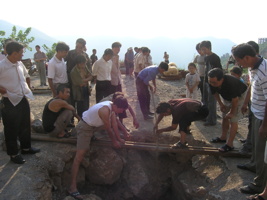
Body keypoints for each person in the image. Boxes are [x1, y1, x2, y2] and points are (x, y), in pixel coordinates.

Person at [68, 97, 129, 199]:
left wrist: (119, 139)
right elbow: (109, 129)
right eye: (122, 109)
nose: (122, 112)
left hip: (92, 126)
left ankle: (92, 135)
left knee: (108, 123)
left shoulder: (112, 107)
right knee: (79, 157)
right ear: (116, 106)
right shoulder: (105, 110)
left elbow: (114, 124)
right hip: (85, 127)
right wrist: (114, 142)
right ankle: (72, 187)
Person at [231, 43, 267, 195]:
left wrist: (264, 126)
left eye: (238, 60)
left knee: (262, 152)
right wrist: (246, 103)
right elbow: (252, 85)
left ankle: (259, 185)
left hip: (263, 116)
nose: (238, 64)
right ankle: (253, 165)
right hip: (255, 110)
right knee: (253, 144)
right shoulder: (253, 67)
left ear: (247, 57)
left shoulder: (265, 72)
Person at [0, 41, 40, 164]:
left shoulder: (19, 64)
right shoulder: (2, 65)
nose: (23, 55)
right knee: (11, 128)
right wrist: (6, 91)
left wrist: (27, 87)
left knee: (24, 124)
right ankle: (13, 154)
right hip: (9, 100)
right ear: (14, 53)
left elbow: (27, 76)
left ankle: (26, 148)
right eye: (21, 52)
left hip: (22, 98)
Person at [208, 68, 247, 152]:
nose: (212, 84)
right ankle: (223, 137)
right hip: (227, 97)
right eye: (210, 82)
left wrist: (232, 112)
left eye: (214, 82)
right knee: (225, 117)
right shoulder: (212, 81)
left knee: (233, 119)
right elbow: (215, 93)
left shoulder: (231, 83)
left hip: (240, 96)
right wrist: (221, 104)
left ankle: (230, 144)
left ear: (222, 79)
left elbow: (235, 100)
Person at [200, 40, 222, 126]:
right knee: (205, 100)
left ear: (209, 48)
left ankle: (212, 120)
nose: (203, 51)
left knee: (212, 102)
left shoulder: (215, 58)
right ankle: (206, 116)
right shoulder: (206, 58)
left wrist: (216, 84)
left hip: (213, 83)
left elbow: (219, 71)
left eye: (204, 49)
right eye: (202, 49)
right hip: (206, 81)